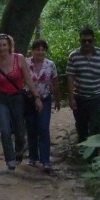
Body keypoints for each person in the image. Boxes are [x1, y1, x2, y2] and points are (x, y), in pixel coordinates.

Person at [0, 33, 43, 170]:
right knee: (5, 130)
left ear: (9, 45)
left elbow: (28, 79)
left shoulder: (19, 58)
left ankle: (18, 151)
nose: (2, 48)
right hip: (1, 99)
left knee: (20, 130)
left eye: (4, 45)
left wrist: (37, 97)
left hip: (17, 98)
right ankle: (10, 160)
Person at [67, 26, 100, 144]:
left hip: (97, 96)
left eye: (90, 40)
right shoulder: (73, 56)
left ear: (94, 40)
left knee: (95, 126)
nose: (87, 43)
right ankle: (83, 149)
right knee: (81, 126)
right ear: (80, 41)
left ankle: (93, 157)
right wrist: (72, 98)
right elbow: (70, 77)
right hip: (80, 97)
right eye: (84, 41)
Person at [24, 38, 61, 173]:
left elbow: (55, 82)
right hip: (28, 100)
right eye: (37, 49)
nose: (40, 52)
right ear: (32, 50)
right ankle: (33, 157)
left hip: (45, 99)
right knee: (31, 128)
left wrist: (57, 99)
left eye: (43, 49)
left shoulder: (50, 65)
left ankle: (45, 160)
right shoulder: (26, 63)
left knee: (43, 128)